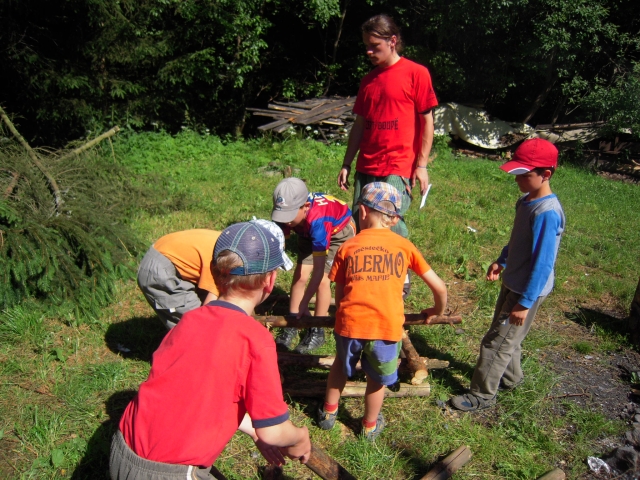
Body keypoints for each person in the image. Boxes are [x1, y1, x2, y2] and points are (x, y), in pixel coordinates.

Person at [110, 222, 311, 480]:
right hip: (171, 472)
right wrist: (299, 437)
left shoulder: (190, 321)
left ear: (215, 274)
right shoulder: (255, 339)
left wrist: (253, 430)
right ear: (270, 281)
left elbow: (199, 392)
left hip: (122, 450)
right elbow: (274, 431)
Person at [317, 182, 447, 439]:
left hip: (349, 325)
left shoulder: (348, 246)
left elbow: (340, 293)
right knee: (376, 379)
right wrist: (437, 310)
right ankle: (369, 426)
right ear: (394, 218)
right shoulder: (405, 246)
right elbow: (440, 287)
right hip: (386, 329)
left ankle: (328, 412)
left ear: (363, 212)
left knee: (340, 367)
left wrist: (342, 314)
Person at [450, 138, 565, 412]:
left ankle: (482, 395)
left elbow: (543, 263)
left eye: (523, 175)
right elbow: (519, 241)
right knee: (508, 336)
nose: (517, 180)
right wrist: (502, 260)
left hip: (527, 289)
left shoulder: (547, 213)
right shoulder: (526, 201)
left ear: (546, 174)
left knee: (496, 342)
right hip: (514, 281)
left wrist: (525, 302)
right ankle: (511, 379)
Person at [337, 14, 438, 240]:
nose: (369, 52)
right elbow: (359, 125)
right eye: (366, 46)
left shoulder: (416, 73)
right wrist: (346, 163)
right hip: (367, 164)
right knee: (362, 223)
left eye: (374, 46)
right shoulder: (368, 81)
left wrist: (422, 165)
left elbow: (427, 122)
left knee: (388, 220)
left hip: (397, 164)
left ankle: (402, 262)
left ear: (392, 41)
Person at [137, 225, 292, 329]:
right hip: (161, 270)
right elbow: (210, 307)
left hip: (168, 254)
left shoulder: (231, 247)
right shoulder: (220, 261)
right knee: (198, 327)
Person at [271, 177, 355, 354]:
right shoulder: (288, 216)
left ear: (305, 206)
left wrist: (304, 304)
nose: (286, 221)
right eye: (282, 216)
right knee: (300, 275)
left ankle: (318, 327)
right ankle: (293, 321)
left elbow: (318, 272)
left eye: (289, 216)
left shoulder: (318, 221)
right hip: (305, 230)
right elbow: (281, 242)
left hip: (337, 232)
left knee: (323, 280)